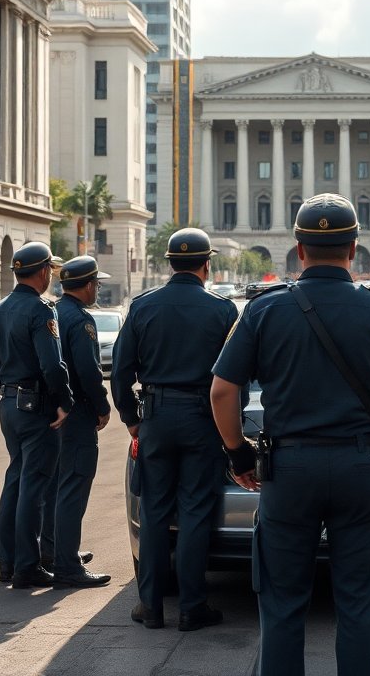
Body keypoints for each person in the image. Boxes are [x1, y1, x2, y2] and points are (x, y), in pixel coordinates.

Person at [210, 194, 370, 675]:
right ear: (354, 248)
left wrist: (238, 454)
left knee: (282, 601)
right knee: (360, 602)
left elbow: (222, 391)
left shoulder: (263, 310)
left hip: (288, 470)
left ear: (299, 249)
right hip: (362, 469)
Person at [112, 227, 239, 631]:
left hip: (156, 416)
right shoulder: (222, 310)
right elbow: (236, 377)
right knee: (195, 511)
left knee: (153, 511)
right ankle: (191, 607)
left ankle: (150, 606)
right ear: (207, 265)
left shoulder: (142, 306)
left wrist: (132, 418)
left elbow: (120, 371)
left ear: (170, 264)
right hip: (203, 419)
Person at [0, 242, 73, 589]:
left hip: (9, 403)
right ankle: (27, 567)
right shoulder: (41, 311)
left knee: (15, 481)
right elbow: (52, 365)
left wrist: (1, 385)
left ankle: (9, 562)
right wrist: (65, 401)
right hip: (37, 405)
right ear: (43, 272)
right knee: (33, 486)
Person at [41, 256, 113, 589]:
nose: (97, 289)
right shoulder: (81, 319)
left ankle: (54, 552)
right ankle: (67, 566)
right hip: (78, 412)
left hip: (54, 410)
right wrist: (102, 406)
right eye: (96, 283)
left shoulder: (53, 312)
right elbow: (88, 371)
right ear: (87, 286)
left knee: (56, 486)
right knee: (74, 487)